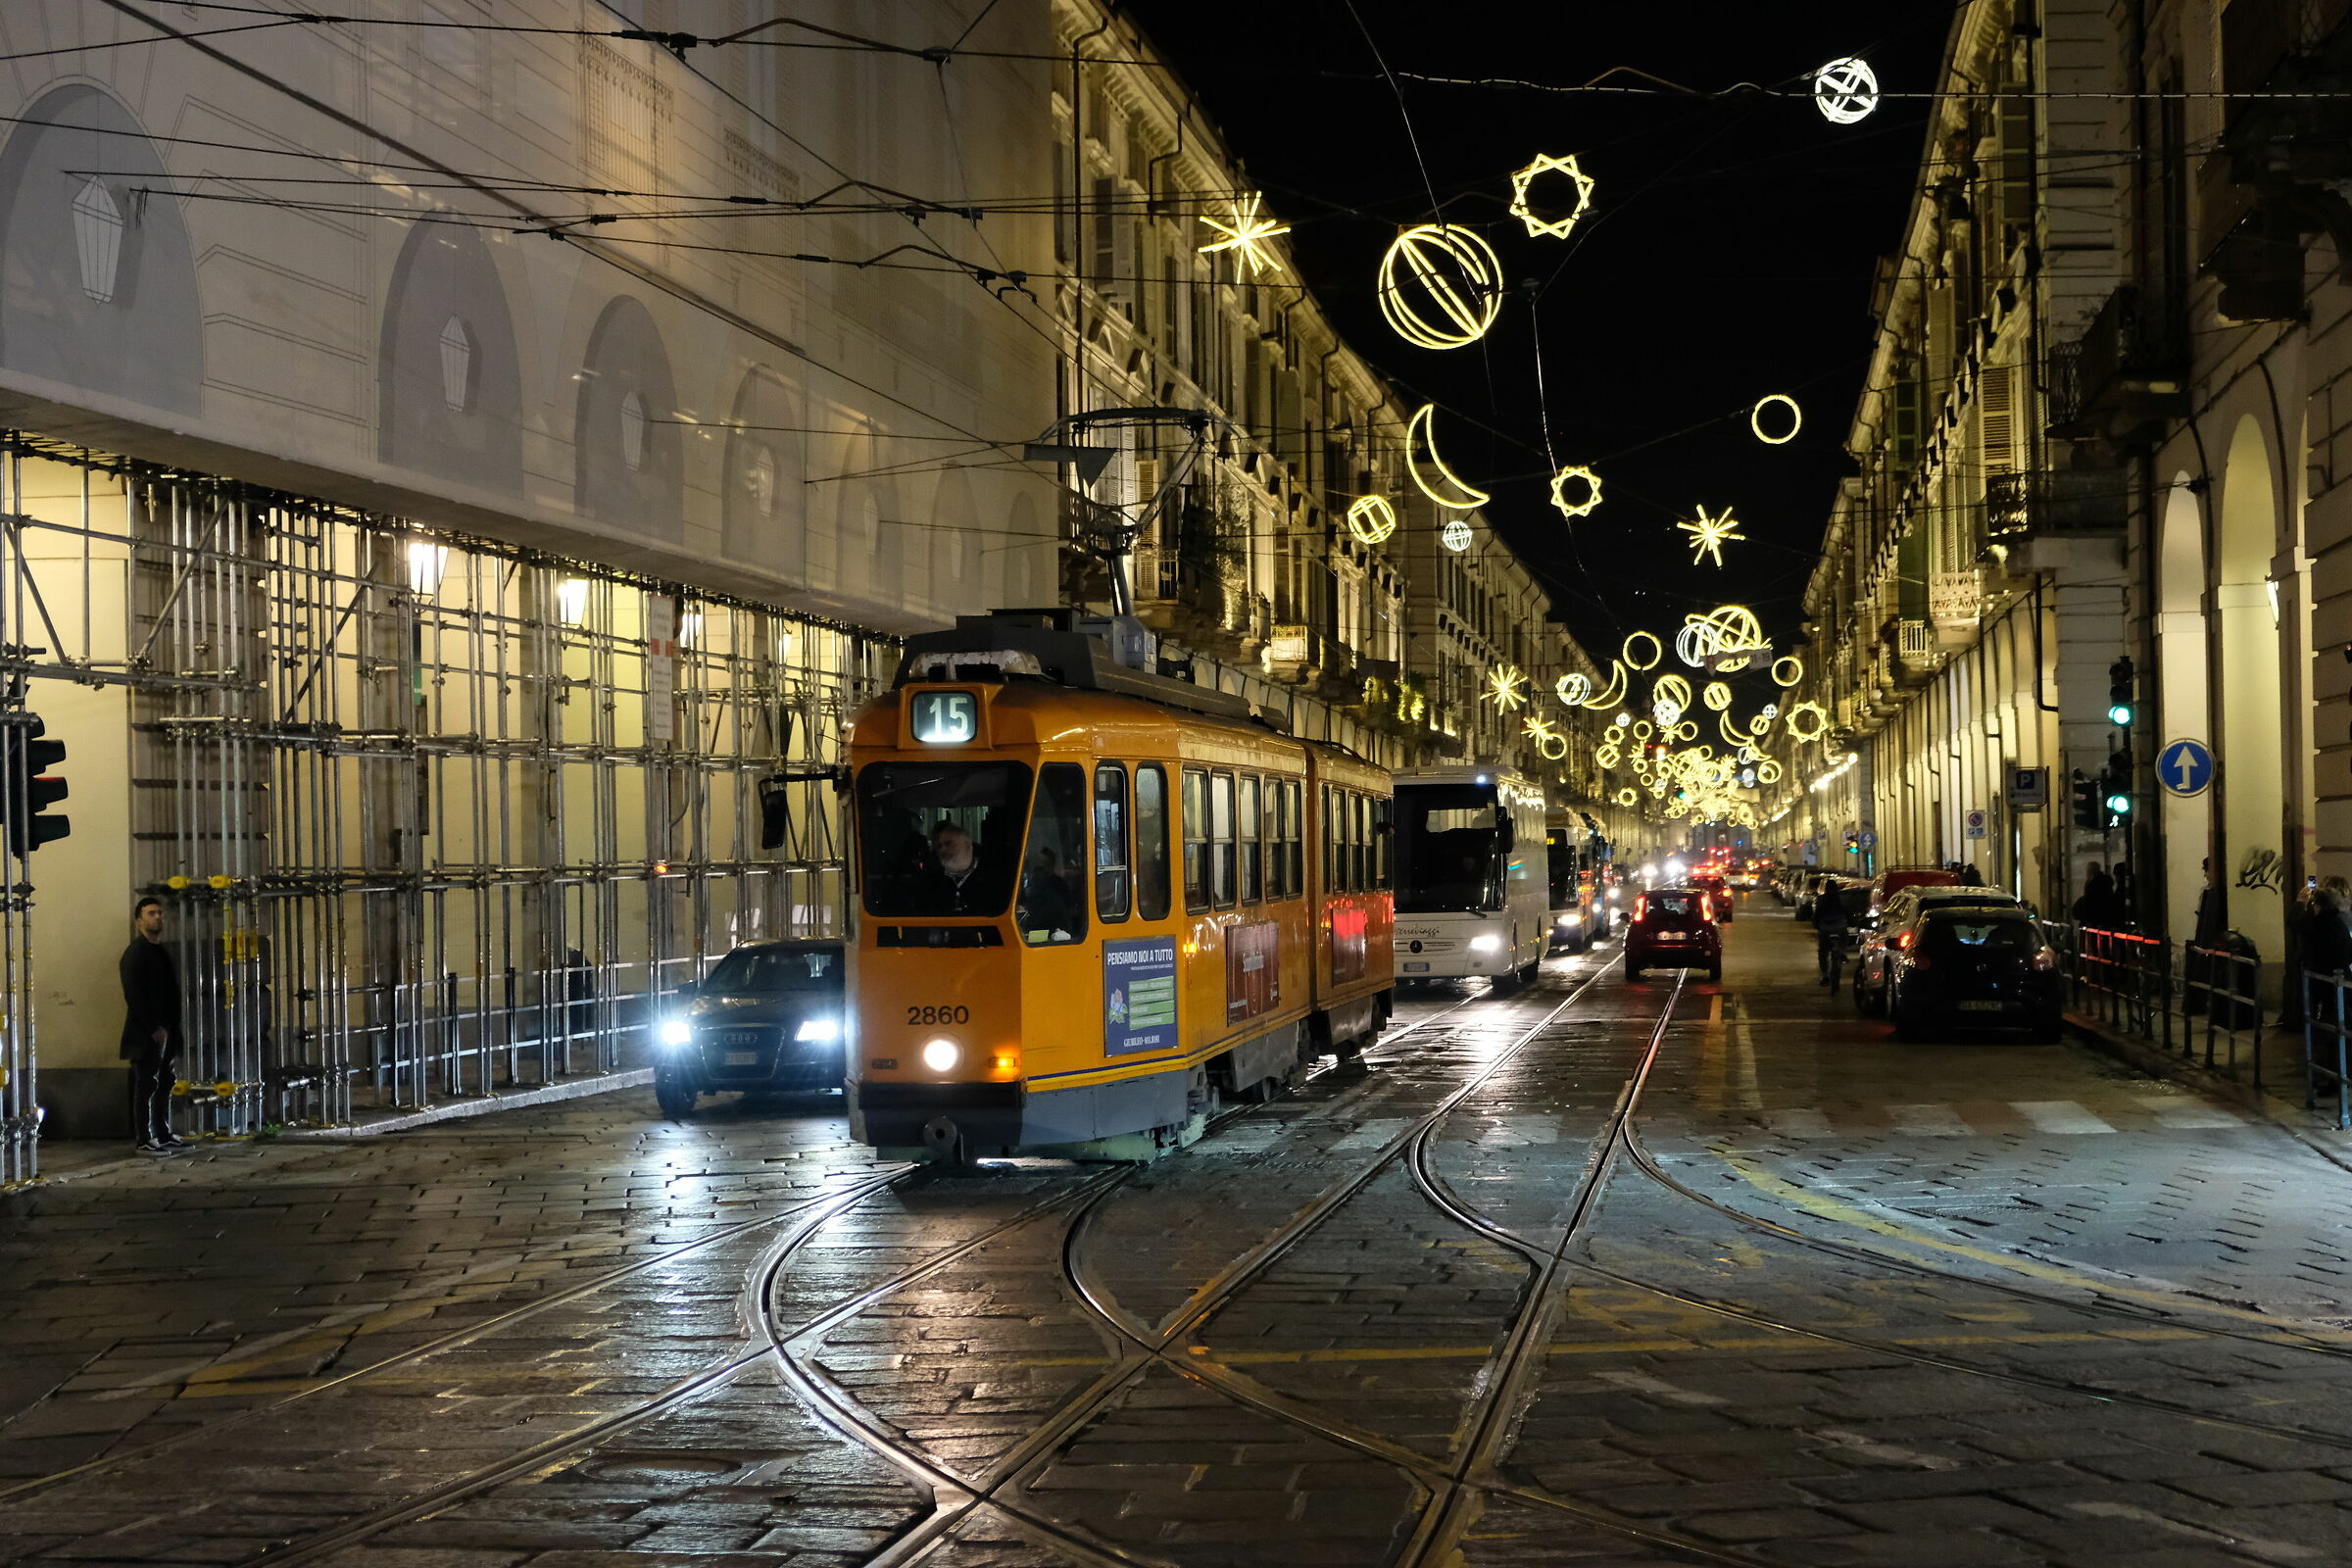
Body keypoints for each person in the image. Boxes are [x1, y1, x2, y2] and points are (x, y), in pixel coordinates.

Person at [119, 897, 183, 1153]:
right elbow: (133, 994)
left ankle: (163, 1132)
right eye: (150, 913)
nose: (157, 917)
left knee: (165, 1081)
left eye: (159, 913)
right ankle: (144, 1138)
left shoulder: (160, 951)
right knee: (147, 1083)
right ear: (139, 921)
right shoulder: (135, 954)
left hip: (166, 1030)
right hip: (147, 1033)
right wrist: (152, 1026)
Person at [1812, 877, 1851, 989]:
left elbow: (1817, 915)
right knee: (1844, 938)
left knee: (1823, 952)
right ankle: (1843, 953)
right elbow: (1847, 912)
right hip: (1840, 926)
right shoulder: (1841, 899)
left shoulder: (1821, 899)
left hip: (1826, 927)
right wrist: (1852, 923)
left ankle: (1825, 975)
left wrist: (1816, 925)